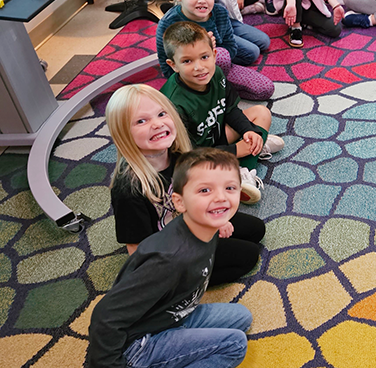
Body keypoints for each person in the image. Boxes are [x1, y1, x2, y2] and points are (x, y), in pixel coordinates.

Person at [87, 147, 252, 368]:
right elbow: (104, 318)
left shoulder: (202, 224)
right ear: (180, 202)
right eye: (205, 191)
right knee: (235, 344)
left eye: (229, 188)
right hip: (136, 345)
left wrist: (219, 219)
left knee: (242, 317)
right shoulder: (169, 260)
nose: (220, 197)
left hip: (168, 317)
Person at [105, 84, 265, 284]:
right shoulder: (129, 187)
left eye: (162, 114)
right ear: (123, 133)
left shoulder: (177, 154)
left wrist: (216, 220)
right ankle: (179, 284)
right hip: (170, 251)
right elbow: (136, 249)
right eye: (141, 121)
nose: (157, 124)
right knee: (248, 256)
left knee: (256, 230)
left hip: (189, 222)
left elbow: (196, 195)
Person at [161, 21, 285, 203]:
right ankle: (245, 164)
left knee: (261, 113)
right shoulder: (174, 104)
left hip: (215, 136)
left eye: (204, 57)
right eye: (187, 61)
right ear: (173, 65)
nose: (199, 67)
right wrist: (236, 150)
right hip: (195, 156)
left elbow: (230, 109)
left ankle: (248, 161)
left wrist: (247, 132)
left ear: (214, 54)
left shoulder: (216, 73)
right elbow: (188, 155)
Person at [155, 0, 274, 101]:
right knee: (222, 56)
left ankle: (218, 88)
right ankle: (209, 92)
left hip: (219, 69)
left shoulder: (220, 12)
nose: (202, 1)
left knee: (265, 89)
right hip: (188, 77)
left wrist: (213, 51)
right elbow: (166, 64)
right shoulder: (168, 23)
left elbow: (231, 48)